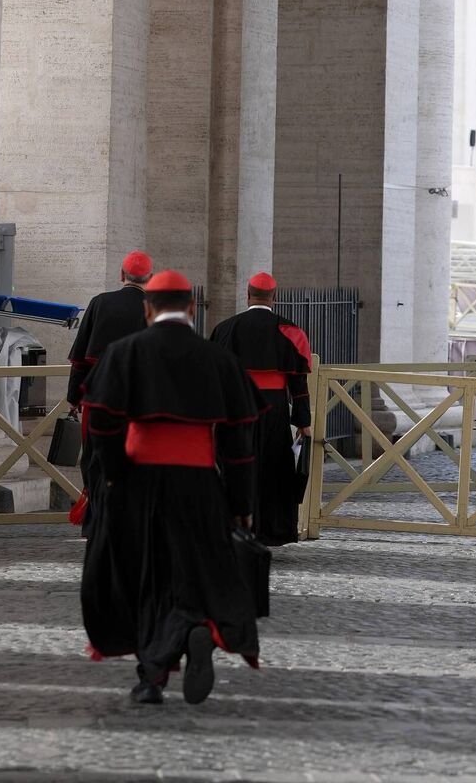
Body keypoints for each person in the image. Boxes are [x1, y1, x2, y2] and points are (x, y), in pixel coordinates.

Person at [80, 270, 264, 706]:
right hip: (199, 482)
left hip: (136, 482)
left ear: (147, 309)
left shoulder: (125, 352)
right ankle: (192, 628)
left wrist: (112, 475)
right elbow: (239, 444)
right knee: (192, 569)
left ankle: (152, 675)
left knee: (145, 575)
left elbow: (102, 425)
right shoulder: (217, 359)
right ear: (191, 308)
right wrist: (240, 503)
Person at [210, 272, 312, 546]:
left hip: (235, 407)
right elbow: (298, 382)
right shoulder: (290, 330)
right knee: (274, 467)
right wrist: (303, 420)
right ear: (275, 298)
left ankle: (231, 528)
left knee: (234, 465)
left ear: (247, 294)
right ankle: (271, 529)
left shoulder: (225, 328)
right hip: (273, 407)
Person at [67, 250, 153, 535]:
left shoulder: (100, 303)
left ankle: (97, 522)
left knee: (96, 458)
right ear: (149, 279)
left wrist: (73, 398)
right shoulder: (156, 306)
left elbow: (80, 358)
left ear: (121, 275)